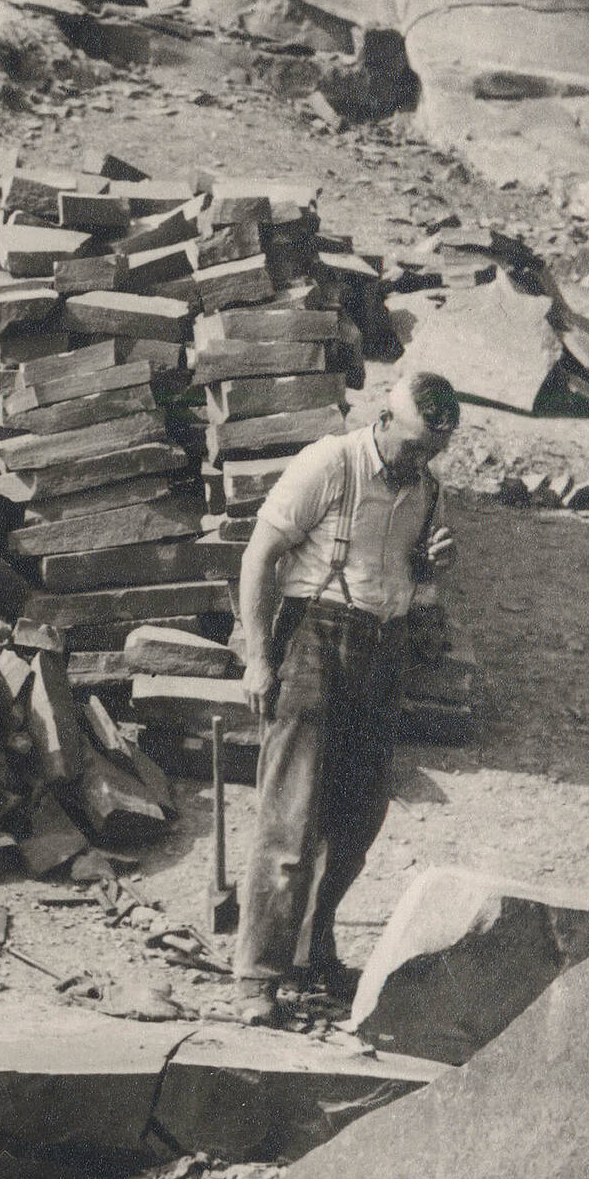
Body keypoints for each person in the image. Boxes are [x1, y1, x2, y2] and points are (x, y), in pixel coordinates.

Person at [232, 370, 460, 1027]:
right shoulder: (330, 464)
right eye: (413, 446)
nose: (419, 461)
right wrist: (258, 657)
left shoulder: (426, 491)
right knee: (291, 823)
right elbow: (259, 556)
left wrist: (429, 573)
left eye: (431, 452)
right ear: (385, 422)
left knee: (358, 819)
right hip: (314, 639)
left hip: (381, 649)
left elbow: (412, 589)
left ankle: (311, 950)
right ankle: (257, 978)